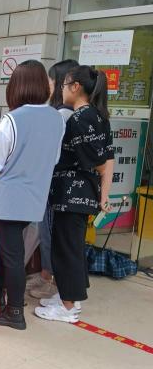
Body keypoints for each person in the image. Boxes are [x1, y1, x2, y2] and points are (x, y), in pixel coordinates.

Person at [0, 60, 66, 330]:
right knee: (11, 254)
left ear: (16, 87)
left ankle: (14, 311)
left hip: (7, 199)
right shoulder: (56, 119)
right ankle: (2, 301)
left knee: (11, 257)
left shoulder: (12, 119)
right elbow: (54, 159)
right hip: (34, 200)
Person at [36, 66, 113, 323]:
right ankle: (69, 298)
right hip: (79, 195)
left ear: (76, 87)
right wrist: (104, 194)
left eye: (63, 85)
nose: (61, 90)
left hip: (73, 194)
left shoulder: (81, 119)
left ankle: (67, 308)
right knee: (73, 249)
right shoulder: (99, 116)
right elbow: (109, 158)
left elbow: (99, 162)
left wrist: (101, 185)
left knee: (66, 250)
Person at [27, 59, 80, 300]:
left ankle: (52, 281)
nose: (48, 84)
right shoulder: (66, 113)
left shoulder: (61, 115)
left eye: (51, 80)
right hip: (59, 184)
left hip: (54, 183)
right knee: (48, 230)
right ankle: (47, 274)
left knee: (49, 230)